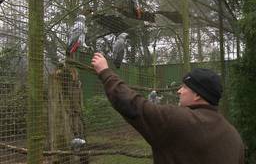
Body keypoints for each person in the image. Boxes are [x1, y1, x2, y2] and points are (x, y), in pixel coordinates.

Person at [91, 52, 244, 164]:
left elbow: (132, 105)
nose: (179, 91)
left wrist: (105, 72)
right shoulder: (234, 136)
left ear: (198, 95)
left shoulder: (179, 120)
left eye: (184, 87)